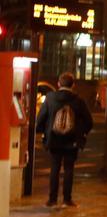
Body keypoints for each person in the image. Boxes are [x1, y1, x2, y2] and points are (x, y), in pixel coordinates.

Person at [35, 72, 94, 209]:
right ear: (73, 85)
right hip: (71, 141)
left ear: (58, 84)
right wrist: (81, 133)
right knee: (69, 169)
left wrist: (45, 132)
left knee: (54, 168)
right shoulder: (79, 100)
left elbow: (40, 120)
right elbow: (89, 122)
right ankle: (67, 200)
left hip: (54, 139)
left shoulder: (50, 98)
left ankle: (52, 199)